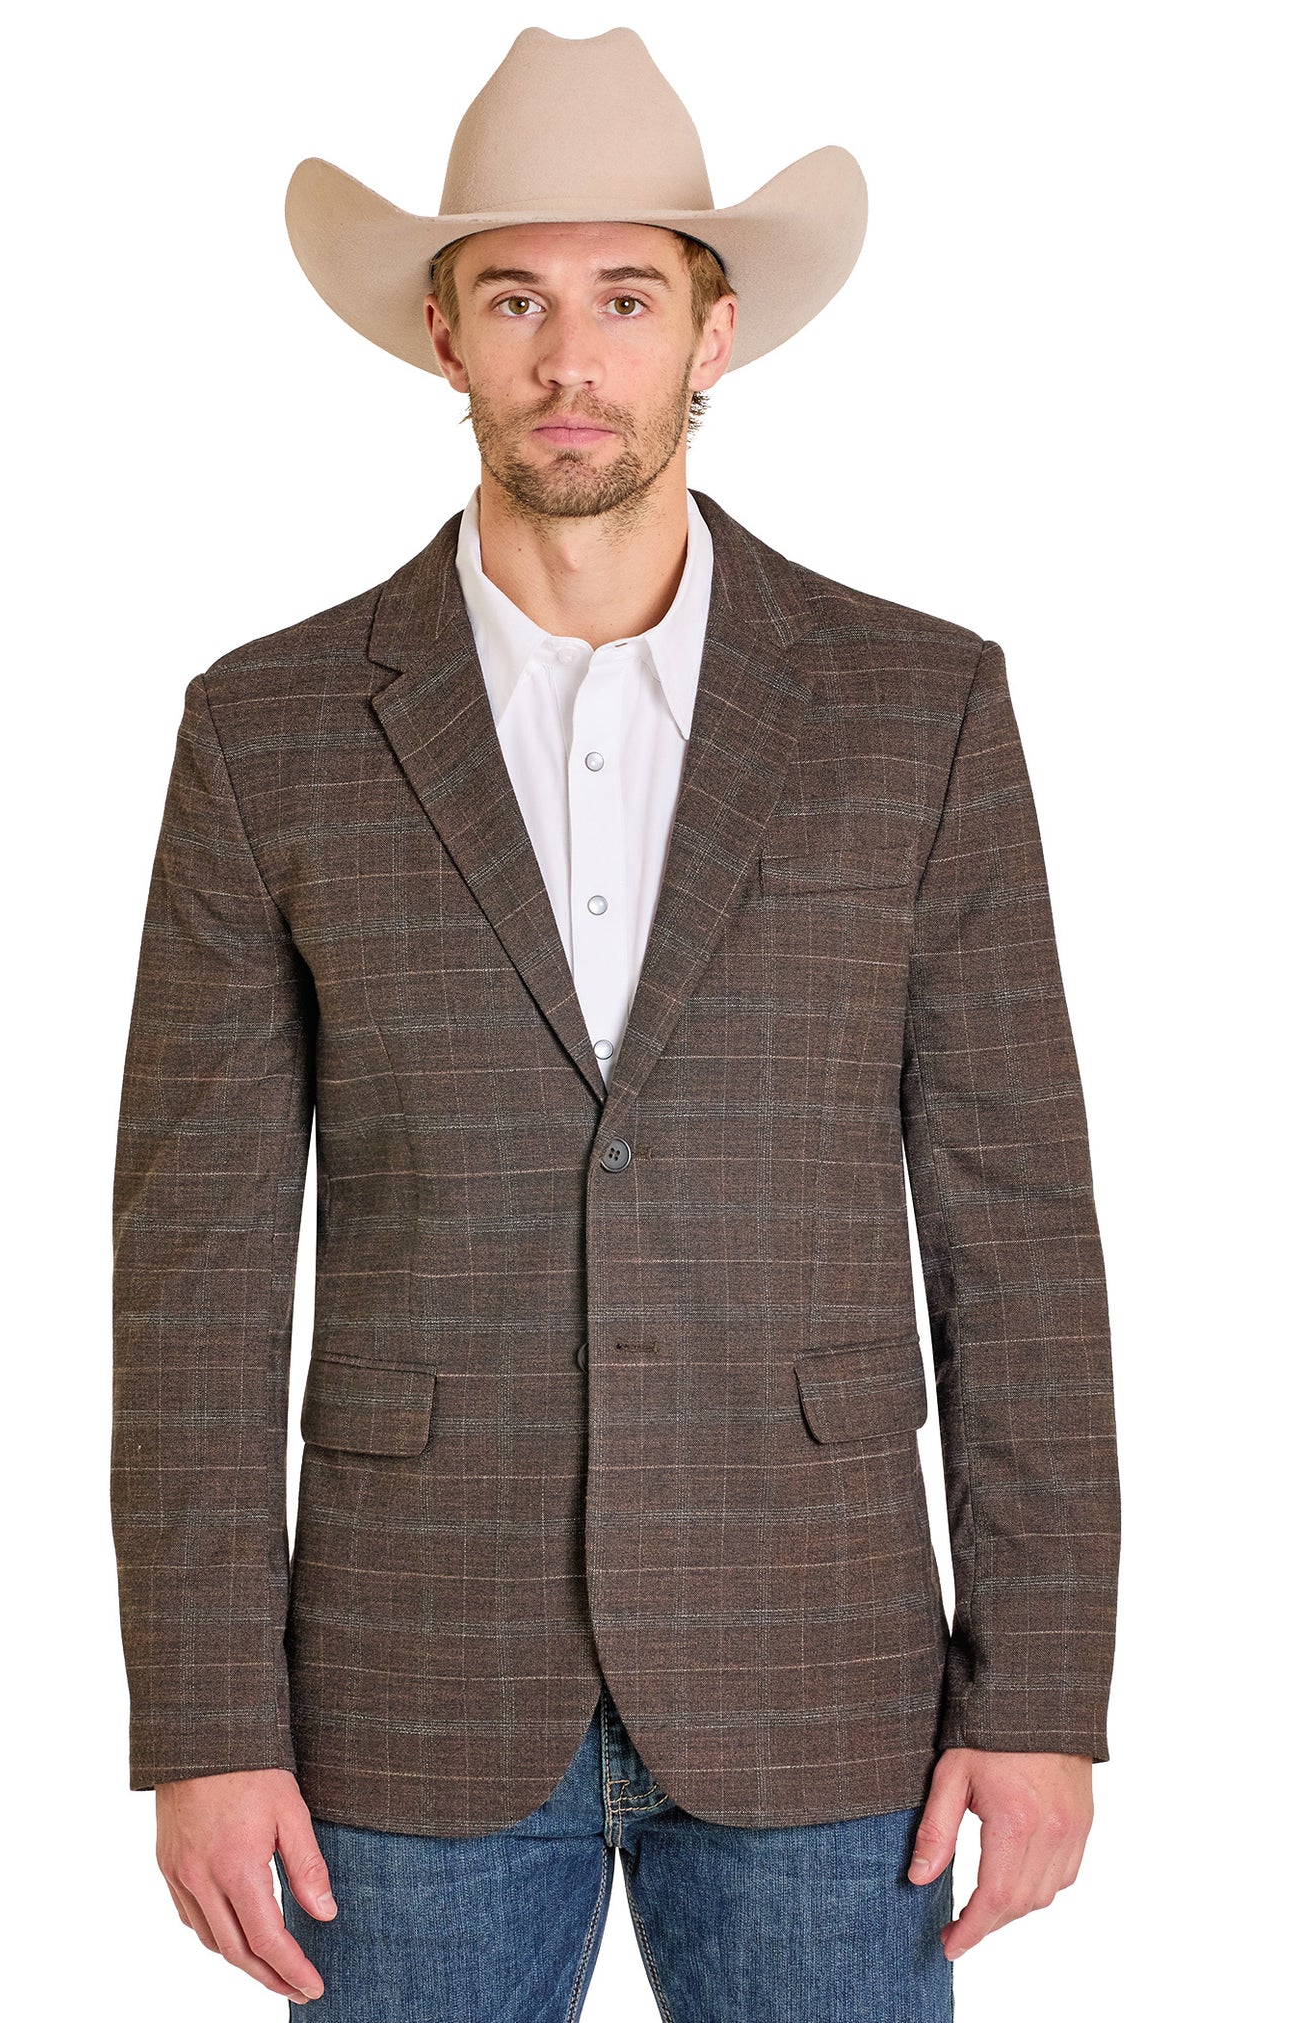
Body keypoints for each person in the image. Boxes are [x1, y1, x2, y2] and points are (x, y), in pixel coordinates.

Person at [110, 26, 1121, 2021]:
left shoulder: (922, 711)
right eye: (519, 299)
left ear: (714, 332)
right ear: (444, 332)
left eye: (627, 299)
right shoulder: (269, 730)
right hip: (404, 1688)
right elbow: (196, 1274)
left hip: (826, 1670)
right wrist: (201, 1721)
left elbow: (1020, 1225)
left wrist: (1051, 1688)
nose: (574, 360)